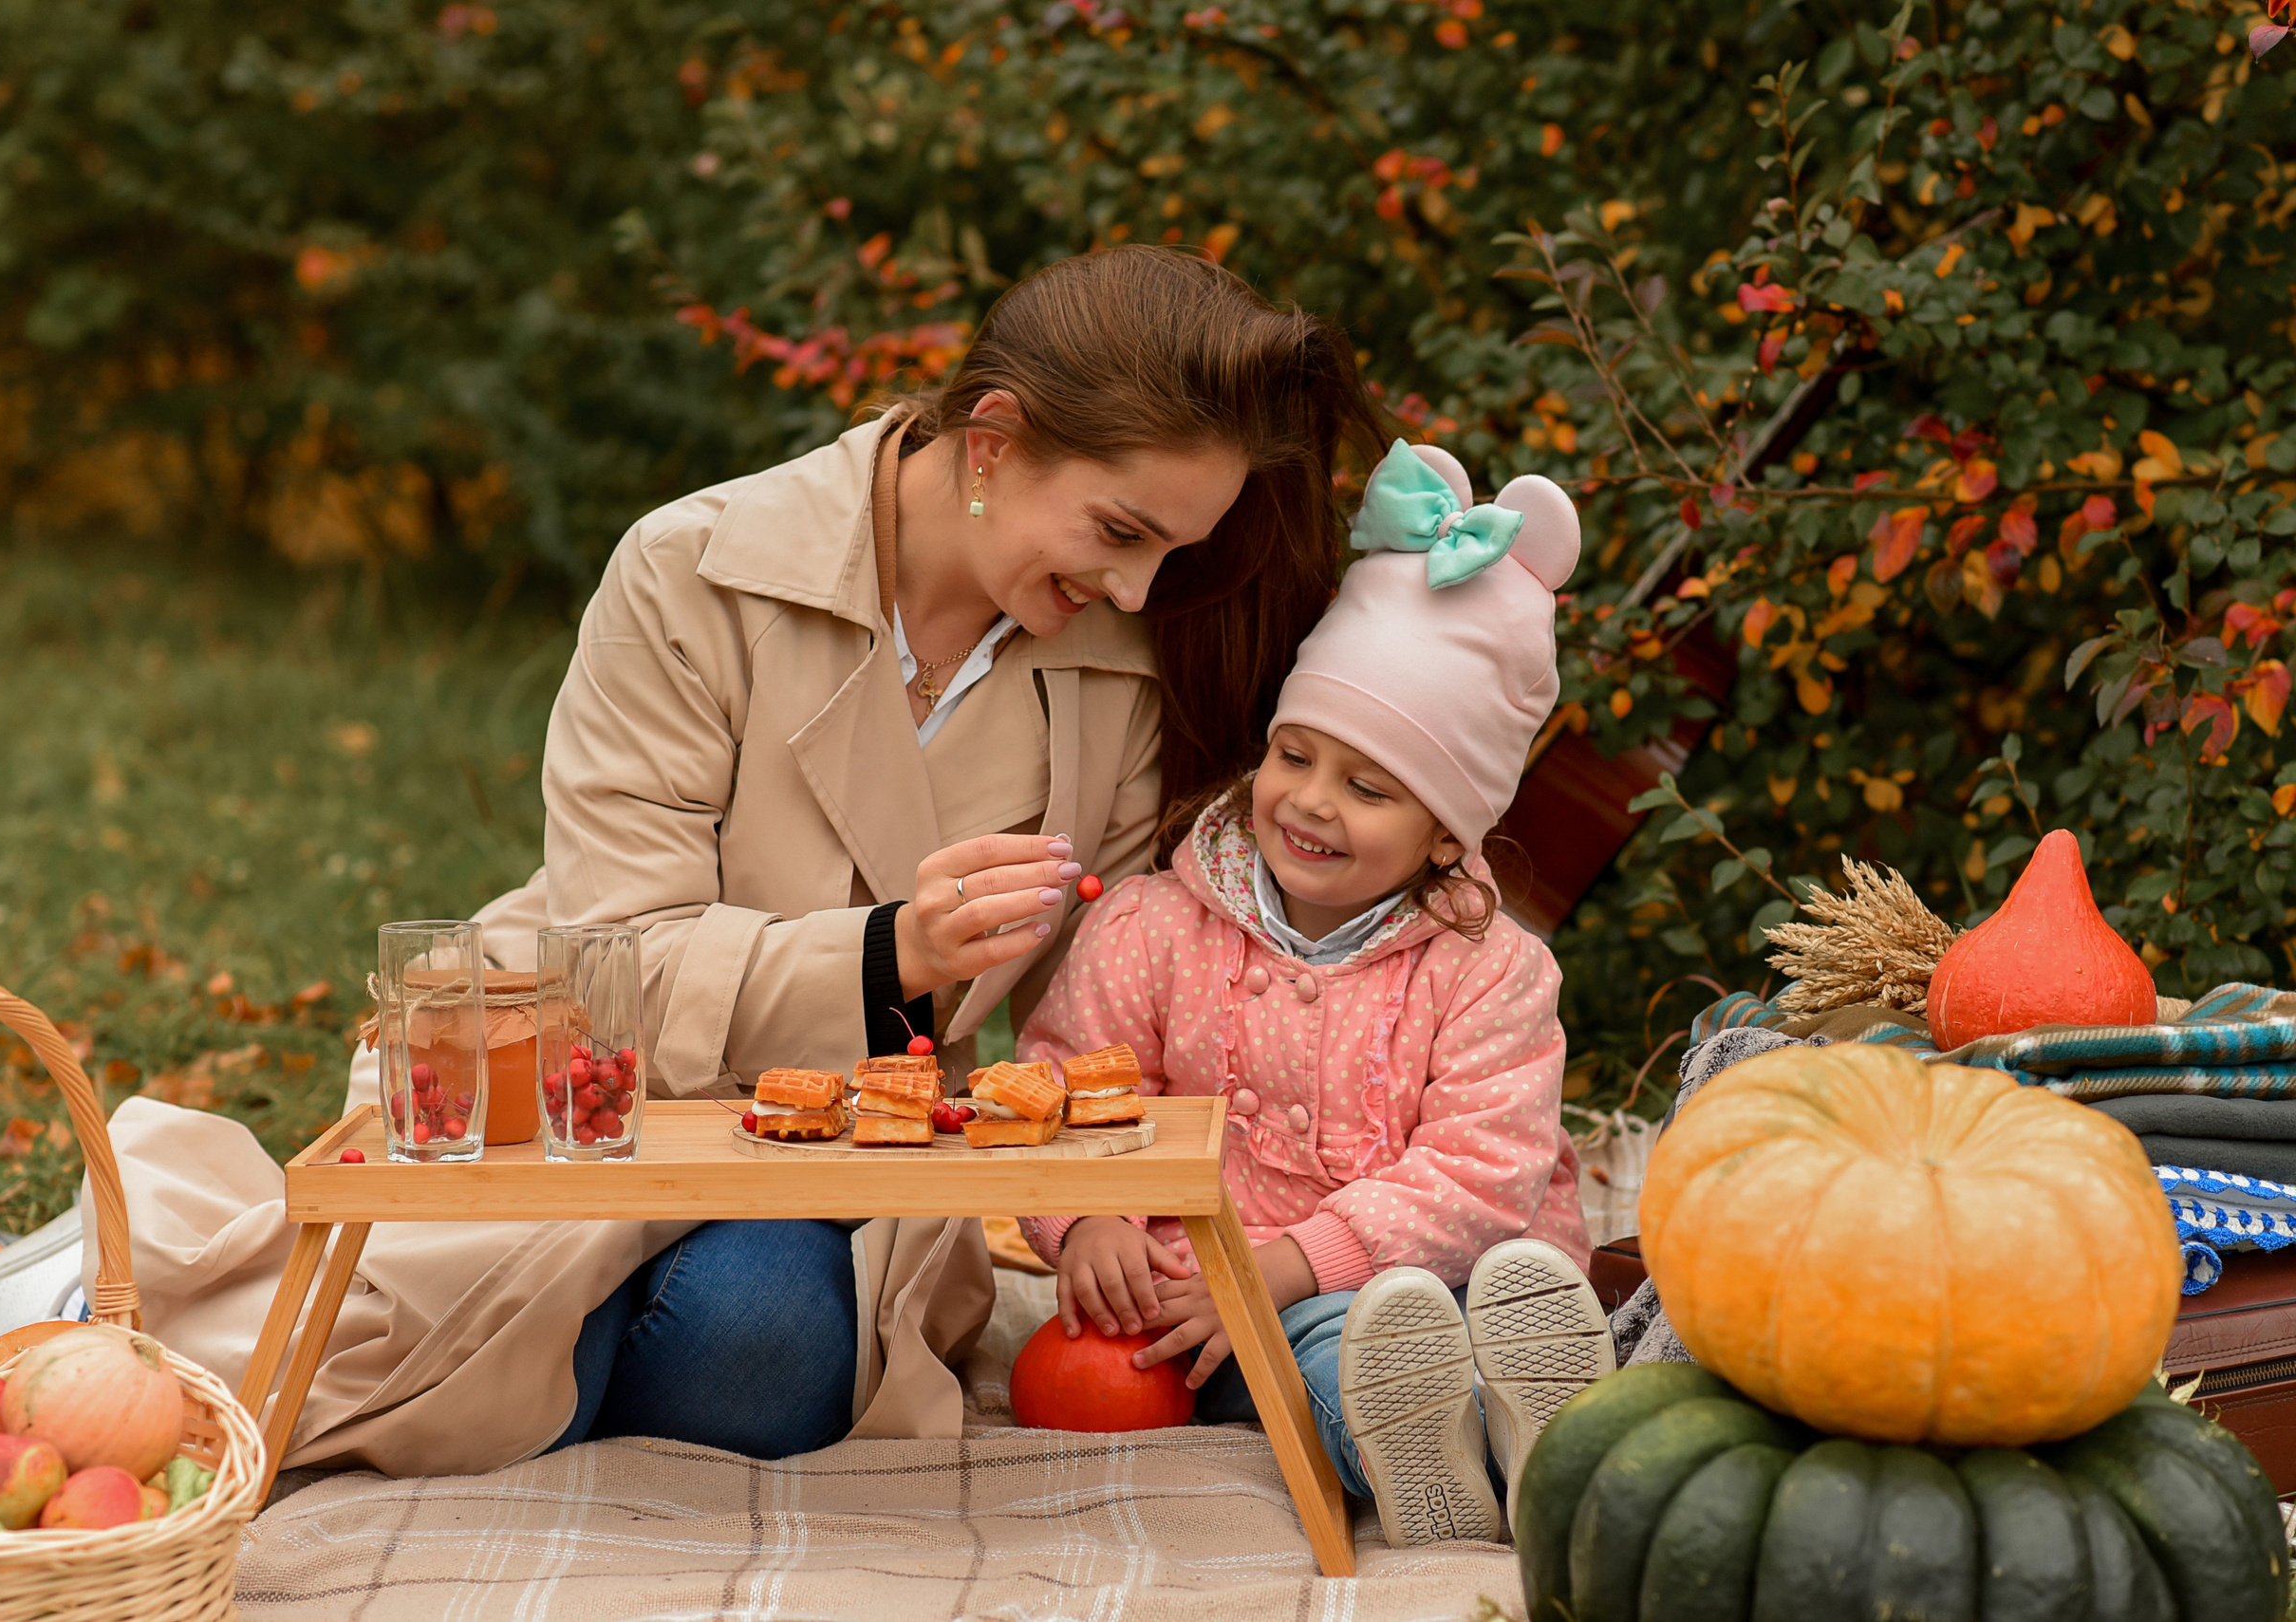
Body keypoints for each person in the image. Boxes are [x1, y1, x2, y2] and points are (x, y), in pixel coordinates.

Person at [91, 246, 1391, 1479]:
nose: (1137, 590)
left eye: (1172, 549)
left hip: (844, 1157)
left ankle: (562, 1394)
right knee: (477, 1358)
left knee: (762, 1356)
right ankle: (457, 1364)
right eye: (1120, 531)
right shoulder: (690, 575)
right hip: (577, 1090)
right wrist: (897, 953)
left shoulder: (1119, 675)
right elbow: (623, 951)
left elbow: (1113, 995)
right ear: (992, 444)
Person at [1016, 439, 1612, 1545]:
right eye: (1295, 756)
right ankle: (1443, 1459)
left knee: (1412, 1332)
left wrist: (1296, 1259)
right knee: (1314, 1357)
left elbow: (1483, 1167)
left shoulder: (1489, 970)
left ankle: (1532, 1424)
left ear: (1447, 828)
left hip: (1457, 1275)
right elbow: (1066, 1086)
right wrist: (1084, 1213)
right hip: (1231, 1298)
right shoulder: (1156, 925)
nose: (1311, 801)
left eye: (1369, 785)